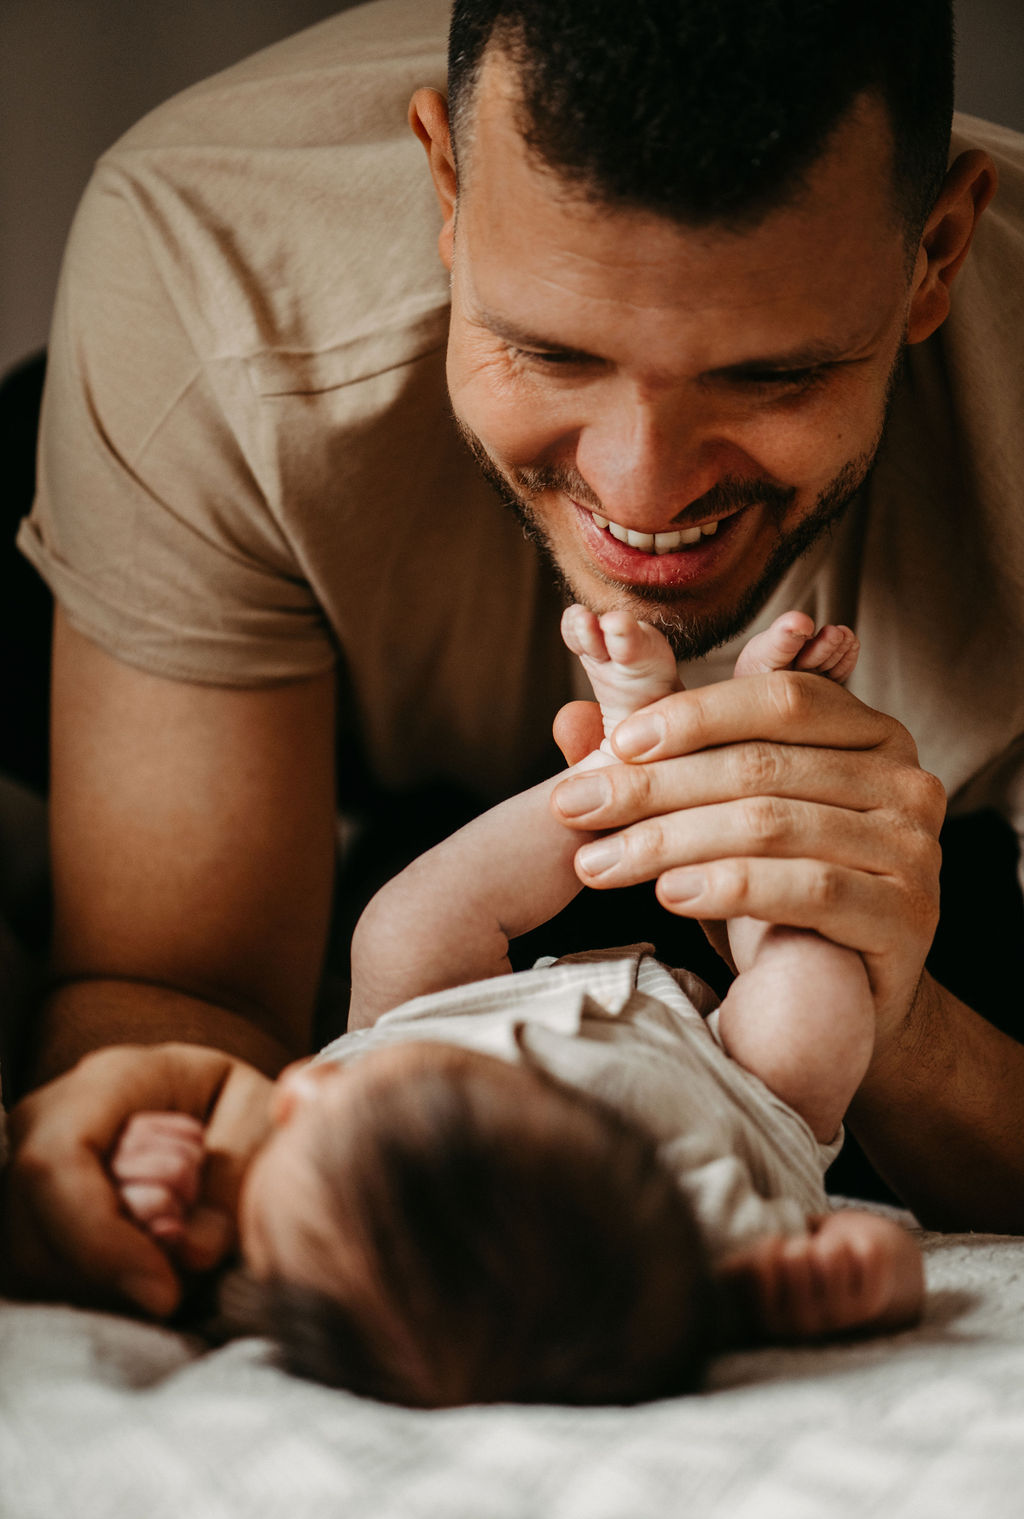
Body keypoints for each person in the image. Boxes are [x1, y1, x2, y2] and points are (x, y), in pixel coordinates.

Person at [3, 0, 1024, 1315]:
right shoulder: (209, 265)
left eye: (774, 376)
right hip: (340, 759)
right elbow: (179, 979)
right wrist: (164, 1126)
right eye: (549, 350)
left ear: (934, 253)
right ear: (444, 182)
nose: (639, 489)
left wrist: (898, 1008)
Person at [105, 607, 922, 1405]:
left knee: (400, 932)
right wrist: (844, 1276)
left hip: (449, 1015)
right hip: (731, 1080)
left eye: (289, 1127)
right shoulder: (692, 1244)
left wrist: (159, 1179)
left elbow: (181, 1239)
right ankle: (753, 762)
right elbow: (874, 1258)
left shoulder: (278, 1249)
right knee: (813, 1017)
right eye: (344, 1105)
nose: (297, 1089)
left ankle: (618, 767)